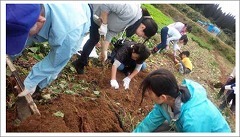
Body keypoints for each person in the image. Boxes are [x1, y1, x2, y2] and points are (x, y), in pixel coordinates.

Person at [6, 4, 91, 96]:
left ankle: (38, 87)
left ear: (40, 20)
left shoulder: (68, 36)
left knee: (59, 61)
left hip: (80, 17)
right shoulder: (24, 8)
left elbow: (55, 61)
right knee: (25, 34)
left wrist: (31, 81)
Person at [133, 68, 231, 132]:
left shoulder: (193, 120)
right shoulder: (165, 103)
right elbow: (149, 123)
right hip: (183, 124)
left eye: (150, 92)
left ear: (163, 97)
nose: (147, 95)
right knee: (156, 129)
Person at [72, 4, 158, 74]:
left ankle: (80, 63)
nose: (140, 37)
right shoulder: (130, 11)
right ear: (143, 27)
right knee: (77, 32)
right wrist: (104, 24)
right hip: (90, 7)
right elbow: (106, 4)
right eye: (143, 35)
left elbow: (109, 34)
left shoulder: (129, 24)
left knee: (94, 39)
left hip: (98, 20)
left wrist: (104, 51)